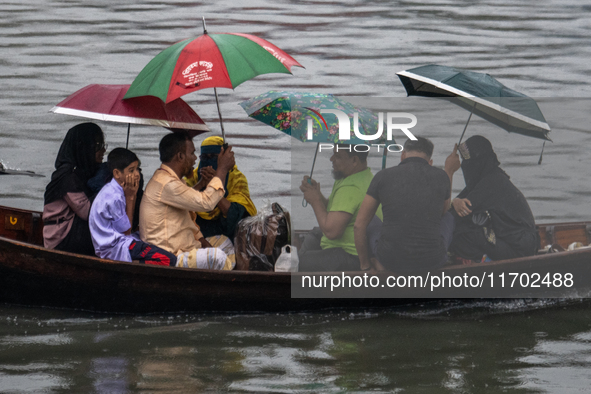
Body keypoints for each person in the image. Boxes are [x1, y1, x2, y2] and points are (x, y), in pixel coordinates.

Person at [354, 137, 461, 273]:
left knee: (370, 220)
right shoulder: (441, 176)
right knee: (449, 218)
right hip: (432, 260)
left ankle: (377, 263)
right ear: (430, 162)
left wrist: (365, 266)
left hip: (389, 259)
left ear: (403, 155)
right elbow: (443, 211)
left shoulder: (382, 176)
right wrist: (449, 171)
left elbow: (359, 225)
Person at [139, 132, 237, 270]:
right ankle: (227, 287)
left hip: (187, 245)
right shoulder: (166, 184)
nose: (195, 158)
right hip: (170, 257)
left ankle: (218, 279)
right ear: (180, 156)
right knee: (217, 256)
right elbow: (206, 203)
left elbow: (188, 210)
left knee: (225, 243)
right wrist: (222, 169)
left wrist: (202, 242)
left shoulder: (170, 179)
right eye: (192, 153)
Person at [449, 135, 539, 262]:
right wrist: (455, 202)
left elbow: (457, 213)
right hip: (511, 240)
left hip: (519, 248)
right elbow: (455, 206)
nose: (466, 166)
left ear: (481, 161)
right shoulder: (485, 178)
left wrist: (449, 172)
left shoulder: (493, 182)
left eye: (470, 161)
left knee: (463, 234)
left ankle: (480, 261)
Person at [298, 145, 382, 271]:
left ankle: (299, 278)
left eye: (337, 156)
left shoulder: (350, 187)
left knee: (295, 262)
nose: (331, 159)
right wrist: (317, 194)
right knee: (315, 234)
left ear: (354, 160)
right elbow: (335, 212)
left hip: (350, 255)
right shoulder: (363, 176)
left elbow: (332, 232)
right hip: (355, 249)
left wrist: (315, 200)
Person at [89, 148, 177, 265]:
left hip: (120, 240)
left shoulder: (117, 189)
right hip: (113, 247)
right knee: (168, 259)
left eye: (137, 169)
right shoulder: (114, 197)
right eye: (131, 170)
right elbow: (126, 231)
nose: (137, 174)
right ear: (117, 173)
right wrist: (131, 197)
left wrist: (132, 195)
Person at [42, 122, 107, 255]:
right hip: (61, 238)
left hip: (73, 230)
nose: (103, 150)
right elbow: (87, 212)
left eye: (103, 145)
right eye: (98, 146)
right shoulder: (68, 176)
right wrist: (109, 186)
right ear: (84, 147)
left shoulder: (88, 172)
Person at [185, 136, 257, 241]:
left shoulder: (236, 178)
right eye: (205, 157)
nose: (209, 163)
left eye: (214, 157)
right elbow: (182, 203)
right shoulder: (193, 177)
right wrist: (201, 184)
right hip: (197, 235)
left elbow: (239, 215)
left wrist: (216, 183)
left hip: (227, 234)